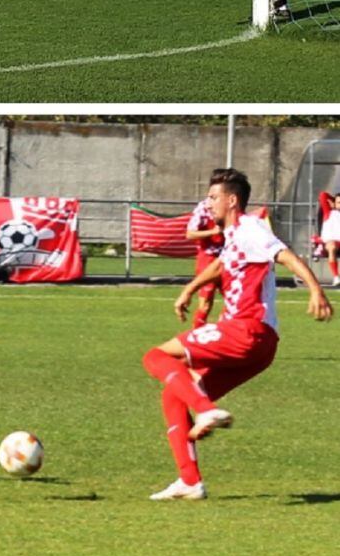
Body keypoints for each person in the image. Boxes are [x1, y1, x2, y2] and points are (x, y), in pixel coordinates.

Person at [142, 168, 332, 501]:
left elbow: (286, 255)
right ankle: (190, 481)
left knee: (155, 356)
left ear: (232, 200)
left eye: (213, 196)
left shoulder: (251, 228)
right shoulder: (234, 235)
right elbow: (221, 265)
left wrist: (315, 290)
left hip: (245, 331)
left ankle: (204, 408)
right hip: (260, 346)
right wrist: (190, 288)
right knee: (173, 395)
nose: (208, 202)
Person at [184, 178, 226, 328]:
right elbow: (190, 233)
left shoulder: (231, 206)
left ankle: (225, 332)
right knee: (206, 302)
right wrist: (213, 231)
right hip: (208, 257)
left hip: (228, 256)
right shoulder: (203, 208)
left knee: (235, 300)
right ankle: (197, 333)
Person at [320, 192, 340, 287]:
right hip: (330, 243)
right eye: (339, 202)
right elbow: (323, 195)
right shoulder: (329, 212)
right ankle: (336, 276)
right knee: (331, 247)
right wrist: (333, 199)